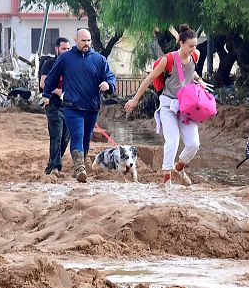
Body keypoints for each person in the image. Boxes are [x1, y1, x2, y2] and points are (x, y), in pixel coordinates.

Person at [124, 24, 209, 185]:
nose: (194, 49)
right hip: (168, 106)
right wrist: (135, 100)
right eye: (190, 46)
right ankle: (167, 179)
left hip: (187, 108)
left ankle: (180, 166)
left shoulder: (195, 56)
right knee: (173, 141)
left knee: (194, 144)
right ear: (181, 43)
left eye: (195, 45)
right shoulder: (168, 59)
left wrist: (199, 80)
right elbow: (149, 79)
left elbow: (191, 73)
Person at [43, 29, 116, 182]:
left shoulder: (99, 60)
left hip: (92, 107)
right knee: (77, 135)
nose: (87, 44)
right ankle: (80, 168)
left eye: (89, 41)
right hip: (71, 106)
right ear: (76, 40)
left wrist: (108, 84)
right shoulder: (65, 58)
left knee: (86, 139)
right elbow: (52, 77)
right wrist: (46, 94)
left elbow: (110, 77)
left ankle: (79, 165)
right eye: (83, 41)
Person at [39, 37, 71, 175]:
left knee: (66, 137)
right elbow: (43, 84)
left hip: (68, 106)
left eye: (68, 49)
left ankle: (52, 163)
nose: (66, 51)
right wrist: (57, 91)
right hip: (53, 104)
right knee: (56, 134)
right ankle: (55, 166)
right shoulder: (49, 63)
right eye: (64, 49)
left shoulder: (71, 64)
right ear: (57, 49)